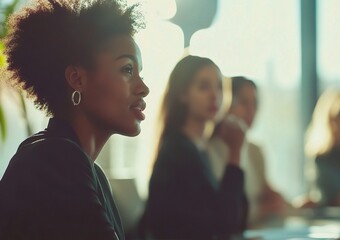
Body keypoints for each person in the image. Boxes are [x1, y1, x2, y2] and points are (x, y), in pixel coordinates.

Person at [0, 1, 149, 239]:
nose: (144, 88)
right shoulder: (53, 160)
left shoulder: (91, 172)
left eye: (140, 73)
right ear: (77, 79)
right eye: (127, 69)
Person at [140, 56, 247, 239]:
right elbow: (224, 222)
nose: (215, 96)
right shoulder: (179, 151)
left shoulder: (197, 148)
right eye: (204, 87)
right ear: (183, 93)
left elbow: (236, 216)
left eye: (219, 87)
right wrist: (235, 152)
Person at [208, 76, 290, 227]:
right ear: (225, 102)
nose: (251, 110)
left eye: (255, 104)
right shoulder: (208, 151)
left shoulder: (255, 150)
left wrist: (292, 204)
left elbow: (271, 195)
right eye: (244, 102)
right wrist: (264, 210)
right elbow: (222, 212)